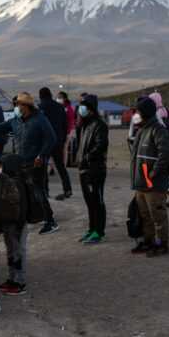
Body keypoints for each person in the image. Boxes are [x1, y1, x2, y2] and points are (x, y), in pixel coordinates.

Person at [0, 92, 59, 235]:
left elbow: (51, 139)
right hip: (20, 162)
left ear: (26, 105)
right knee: (23, 191)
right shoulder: (15, 121)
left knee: (37, 191)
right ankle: (33, 215)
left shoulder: (39, 120)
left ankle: (50, 221)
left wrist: (41, 155)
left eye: (18, 105)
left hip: (36, 163)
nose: (15, 107)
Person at [130, 97, 169, 257]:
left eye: (138, 111)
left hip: (153, 183)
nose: (136, 114)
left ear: (146, 112)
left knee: (157, 215)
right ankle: (149, 241)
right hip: (141, 182)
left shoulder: (158, 129)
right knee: (145, 215)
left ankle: (162, 243)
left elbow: (166, 153)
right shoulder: (142, 129)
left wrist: (153, 173)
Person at [75, 95, 109, 244]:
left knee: (97, 201)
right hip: (84, 169)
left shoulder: (99, 125)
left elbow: (101, 145)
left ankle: (98, 232)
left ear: (91, 109)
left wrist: (87, 157)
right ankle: (91, 229)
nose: (81, 109)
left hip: (95, 170)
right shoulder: (85, 125)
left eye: (84, 107)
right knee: (89, 202)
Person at [0, 153, 29, 296]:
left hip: (16, 225)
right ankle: (12, 279)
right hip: (11, 224)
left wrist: (18, 224)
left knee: (18, 253)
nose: (0, 168)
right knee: (12, 253)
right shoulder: (13, 180)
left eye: (2, 165)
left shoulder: (16, 182)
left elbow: (21, 207)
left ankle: (19, 282)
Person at [39, 87, 72, 201]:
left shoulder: (40, 107)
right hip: (58, 141)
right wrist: (62, 140)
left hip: (45, 142)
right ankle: (67, 189)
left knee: (43, 168)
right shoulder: (59, 107)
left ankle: (45, 191)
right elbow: (65, 124)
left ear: (41, 96)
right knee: (60, 166)